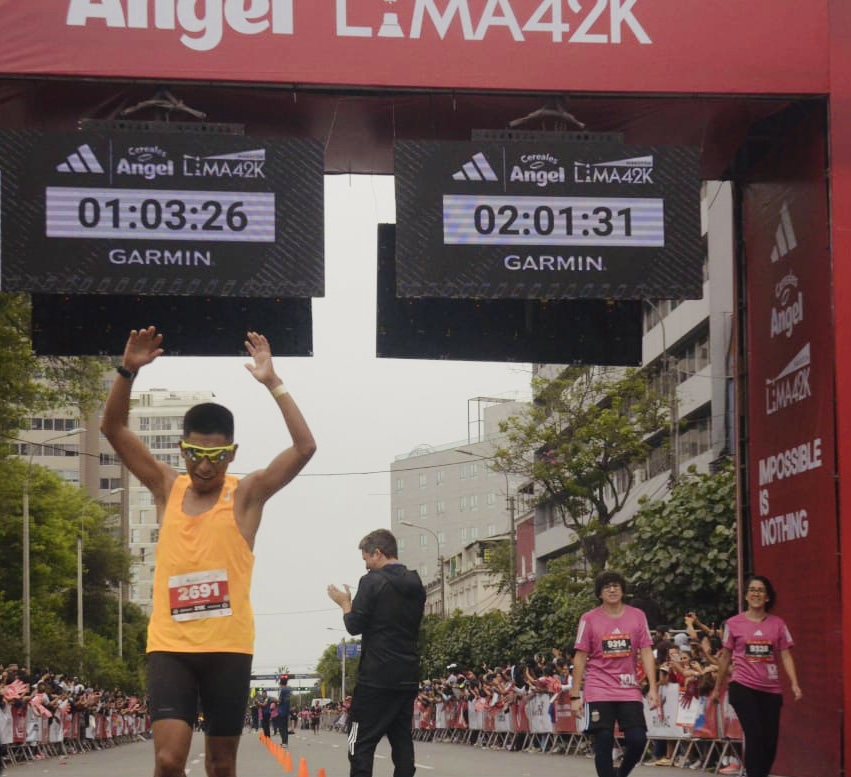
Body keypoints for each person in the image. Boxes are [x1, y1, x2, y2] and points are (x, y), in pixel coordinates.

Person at [101, 326, 316, 777]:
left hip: (228, 649)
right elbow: (114, 428)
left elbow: (304, 447)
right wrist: (127, 371)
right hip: (170, 647)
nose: (204, 466)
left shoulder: (246, 495)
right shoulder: (165, 486)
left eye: (216, 457)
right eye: (196, 454)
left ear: (232, 454)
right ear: (182, 449)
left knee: (221, 765)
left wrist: (273, 383)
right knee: (168, 759)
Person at [327, 529, 426, 777]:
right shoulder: (416, 583)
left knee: (356, 738)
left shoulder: (371, 581)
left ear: (378, 553)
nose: (366, 566)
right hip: (407, 676)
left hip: (375, 677)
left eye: (366, 559)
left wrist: (345, 603)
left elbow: (354, 625)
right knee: (402, 740)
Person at [710, 575, 802, 777]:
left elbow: (785, 654)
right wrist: (717, 688)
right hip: (743, 687)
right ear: (746, 595)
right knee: (755, 735)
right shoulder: (733, 623)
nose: (756, 594)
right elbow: (725, 658)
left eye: (760, 590)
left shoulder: (778, 624)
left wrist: (794, 683)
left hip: (771, 689)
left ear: (767, 597)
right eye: (752, 590)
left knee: (770, 742)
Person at [571, 571, 659, 777]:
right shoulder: (589, 619)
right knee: (603, 740)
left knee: (638, 740)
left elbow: (646, 652)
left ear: (623, 590)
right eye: (607, 587)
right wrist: (575, 695)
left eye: (616, 586)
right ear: (599, 593)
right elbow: (580, 658)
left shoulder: (638, 616)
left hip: (629, 689)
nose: (612, 590)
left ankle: (621, 774)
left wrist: (653, 688)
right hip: (598, 688)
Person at [277, 676, 292, 747]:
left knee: (281, 727)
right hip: (287, 711)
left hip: (281, 711)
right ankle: (285, 742)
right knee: (285, 727)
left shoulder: (282, 690)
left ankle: (284, 742)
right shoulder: (288, 690)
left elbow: (279, 701)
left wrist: (274, 701)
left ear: (280, 683)